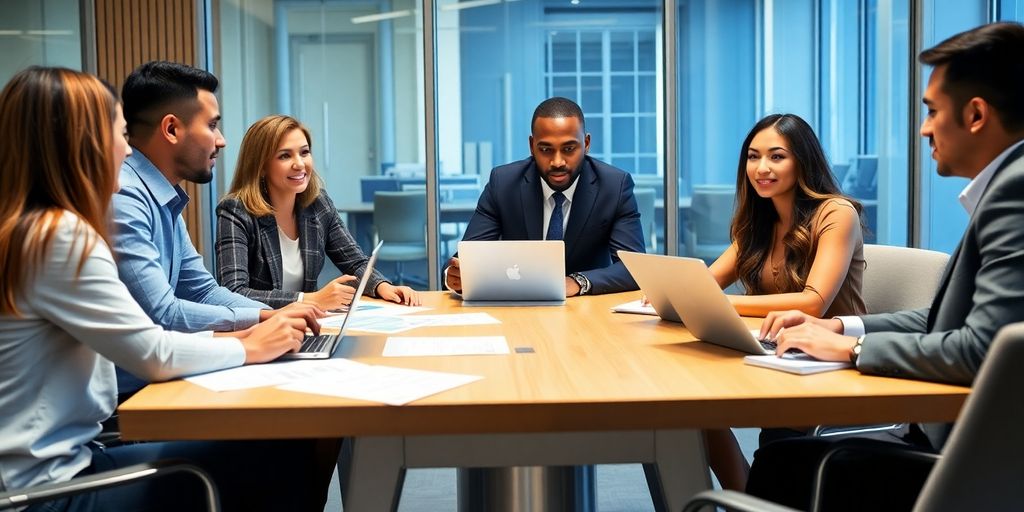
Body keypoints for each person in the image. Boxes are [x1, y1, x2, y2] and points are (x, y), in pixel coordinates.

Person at [0, 66, 333, 511]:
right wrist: (252, 345)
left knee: (273, 447)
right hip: (46, 492)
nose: (126, 149)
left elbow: (199, 290)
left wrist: (265, 321)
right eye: (119, 132)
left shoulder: (29, 229)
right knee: (280, 454)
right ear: (85, 143)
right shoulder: (60, 236)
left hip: (64, 463)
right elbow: (152, 349)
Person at [748, 21, 1024, 511]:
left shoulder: (1014, 193)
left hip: (967, 458)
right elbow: (951, 321)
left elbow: (983, 350)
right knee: (785, 457)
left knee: (784, 464)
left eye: (933, 111)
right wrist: (837, 324)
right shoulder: (1004, 187)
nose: (923, 128)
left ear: (977, 114)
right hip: (954, 437)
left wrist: (853, 347)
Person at [112, 61, 320, 395]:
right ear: (171, 129)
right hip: (132, 397)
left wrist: (271, 314)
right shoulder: (125, 197)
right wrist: (257, 327)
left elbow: (202, 290)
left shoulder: (163, 198)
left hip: (160, 379)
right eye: (212, 126)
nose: (221, 141)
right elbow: (162, 313)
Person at [703, 113, 867, 491]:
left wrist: (725, 305)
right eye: (752, 156)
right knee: (688, 407)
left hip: (830, 362)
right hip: (778, 351)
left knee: (769, 456)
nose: (761, 168)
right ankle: (749, 496)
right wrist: (672, 293)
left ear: (803, 161)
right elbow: (707, 284)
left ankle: (758, 495)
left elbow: (812, 304)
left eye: (777, 157)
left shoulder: (836, 213)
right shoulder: (759, 220)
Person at [444, 97, 646, 296]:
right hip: (518, 308)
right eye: (546, 149)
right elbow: (464, 259)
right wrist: (454, 277)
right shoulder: (503, 184)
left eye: (569, 149)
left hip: (587, 310)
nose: (557, 161)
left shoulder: (614, 186)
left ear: (586, 143)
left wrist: (579, 281)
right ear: (532, 146)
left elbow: (634, 268)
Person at [215, 114, 420, 309]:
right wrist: (310, 299)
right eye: (285, 156)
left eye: (304, 152)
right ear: (261, 167)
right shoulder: (236, 212)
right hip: (259, 330)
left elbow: (354, 261)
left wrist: (383, 287)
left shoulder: (318, 204)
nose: (300, 164)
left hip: (306, 325)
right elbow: (234, 293)